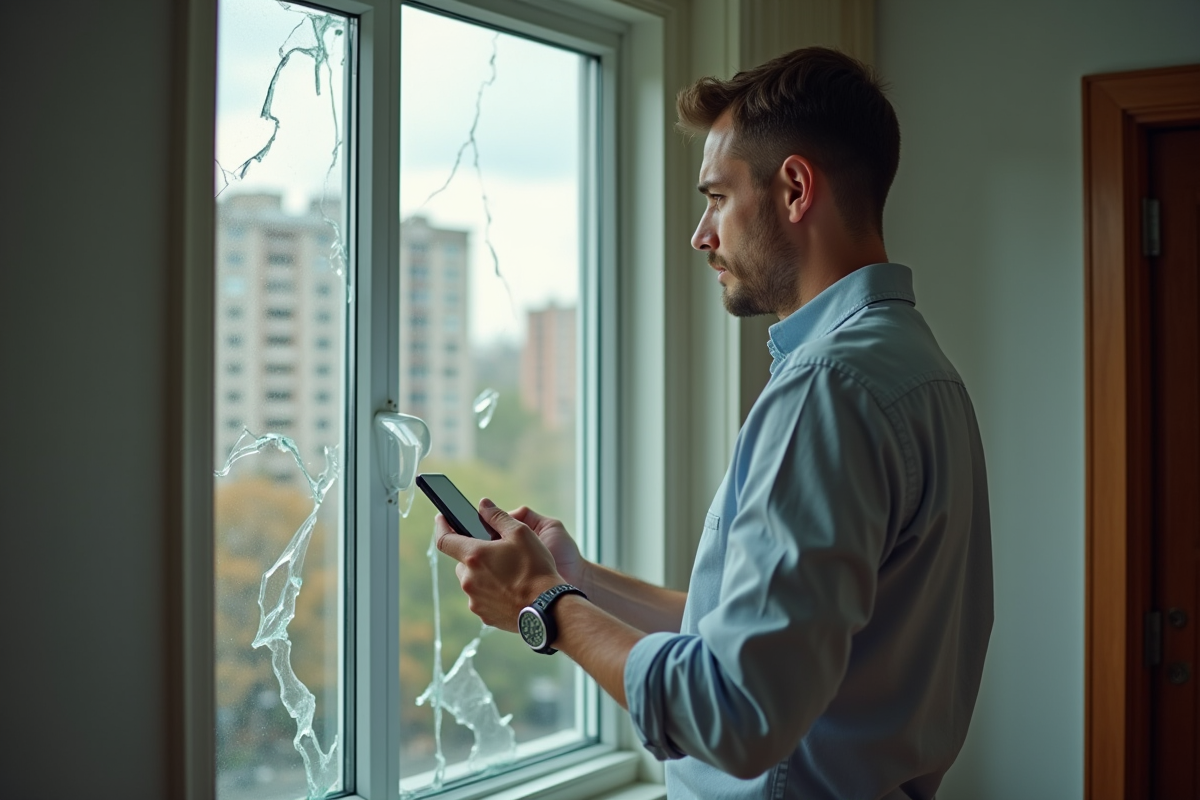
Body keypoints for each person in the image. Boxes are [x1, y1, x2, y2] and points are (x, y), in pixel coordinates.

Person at [436, 46, 992, 800]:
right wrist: (580, 581)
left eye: (718, 198)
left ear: (794, 188)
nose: (702, 235)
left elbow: (737, 712)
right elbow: (759, 637)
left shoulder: (826, 390)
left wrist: (544, 606)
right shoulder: (918, 371)